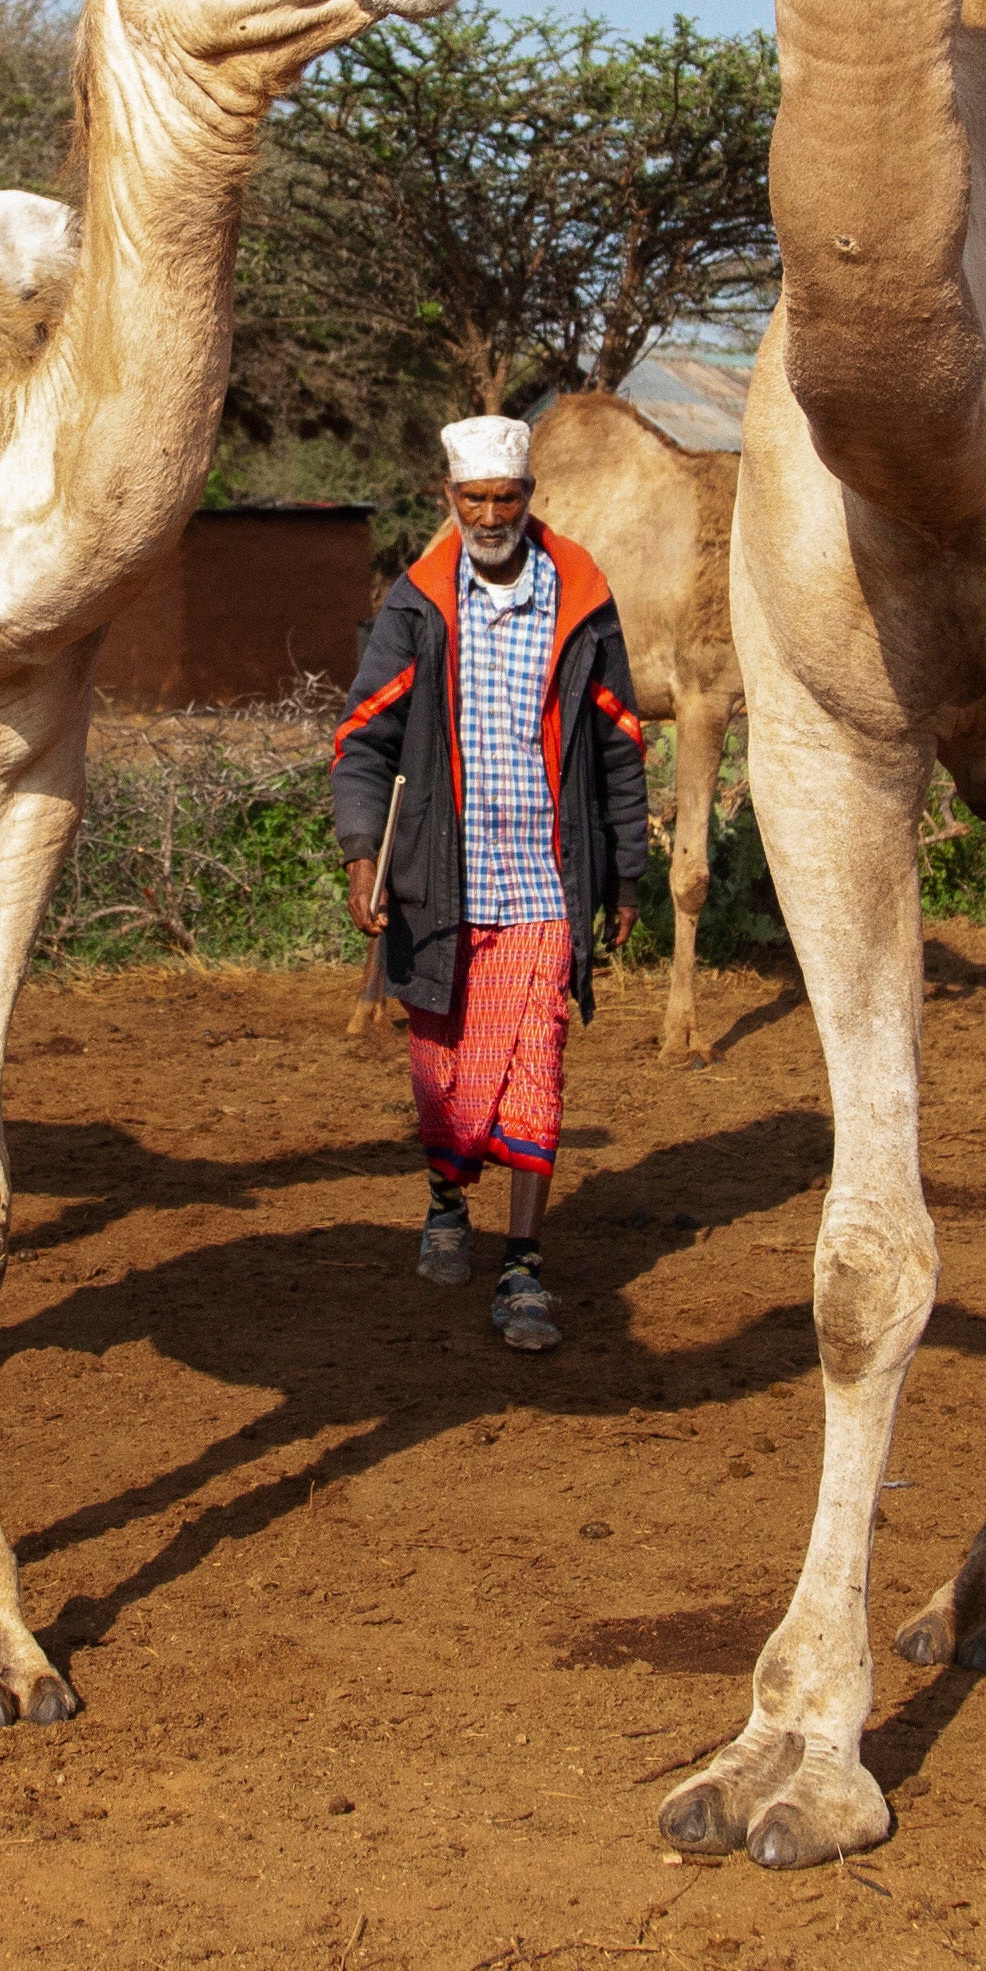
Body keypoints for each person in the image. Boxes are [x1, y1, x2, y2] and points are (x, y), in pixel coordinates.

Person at [332, 411, 654, 1352]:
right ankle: (446, 1201)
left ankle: (522, 1264)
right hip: (439, 881)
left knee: (534, 1066)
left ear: (528, 497)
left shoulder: (580, 598)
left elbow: (619, 740)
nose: (488, 515)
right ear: (449, 497)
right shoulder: (419, 605)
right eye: (471, 499)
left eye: (504, 498)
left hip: (547, 881)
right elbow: (364, 737)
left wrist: (626, 873)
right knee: (443, 1073)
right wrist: (362, 852)